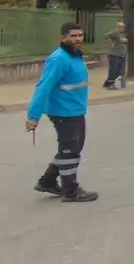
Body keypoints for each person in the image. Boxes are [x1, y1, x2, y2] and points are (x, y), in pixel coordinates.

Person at [25, 22, 99, 202]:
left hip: (75, 110)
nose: (78, 39)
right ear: (63, 38)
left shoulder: (75, 56)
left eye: (80, 36)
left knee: (72, 148)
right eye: (73, 36)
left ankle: (47, 181)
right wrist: (33, 116)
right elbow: (44, 87)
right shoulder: (59, 59)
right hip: (63, 112)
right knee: (69, 151)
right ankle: (70, 190)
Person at [103, 21, 127, 89]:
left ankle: (107, 83)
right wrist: (109, 39)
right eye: (120, 27)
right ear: (117, 27)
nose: (122, 28)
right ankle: (110, 84)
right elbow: (105, 36)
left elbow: (123, 42)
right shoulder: (114, 33)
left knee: (120, 71)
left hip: (121, 55)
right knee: (114, 70)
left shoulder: (122, 34)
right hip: (114, 54)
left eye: (123, 27)